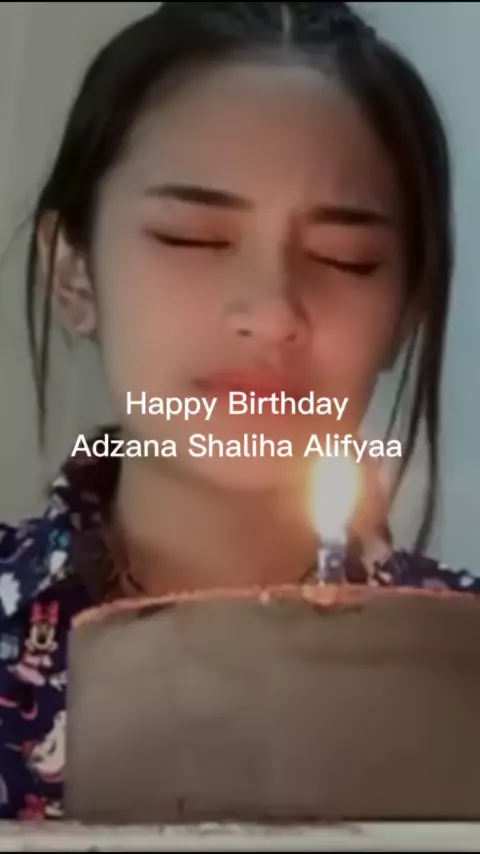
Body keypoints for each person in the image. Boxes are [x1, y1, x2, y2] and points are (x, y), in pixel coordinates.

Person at [0, 0, 476, 822]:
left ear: (407, 312)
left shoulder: (462, 664)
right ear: (74, 274)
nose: (273, 312)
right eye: (192, 237)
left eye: (345, 258)